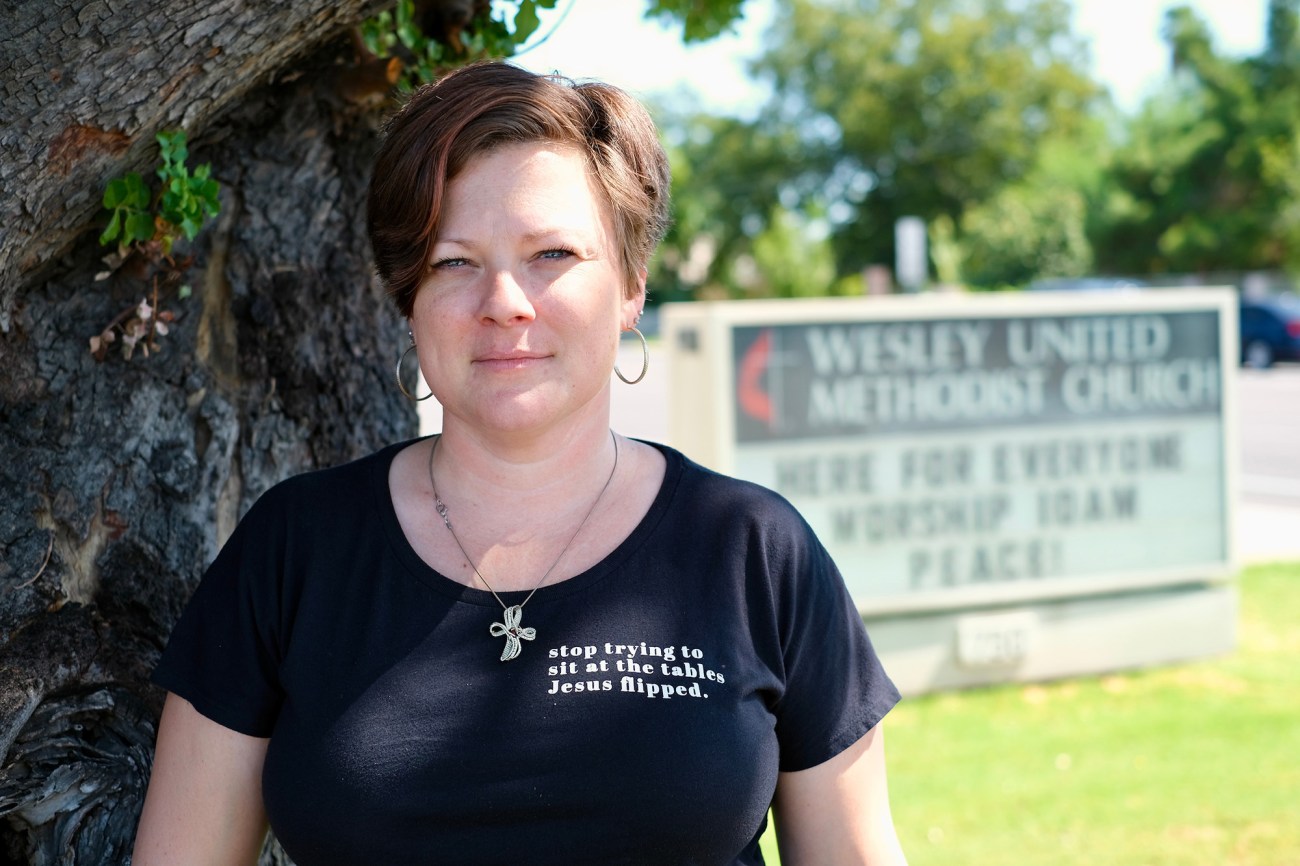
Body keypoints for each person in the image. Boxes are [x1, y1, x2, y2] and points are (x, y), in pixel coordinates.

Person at [133, 61, 907, 866]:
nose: (504, 300)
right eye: (454, 261)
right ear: (410, 300)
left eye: (552, 254)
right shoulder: (293, 551)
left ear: (632, 283)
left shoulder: (755, 551)